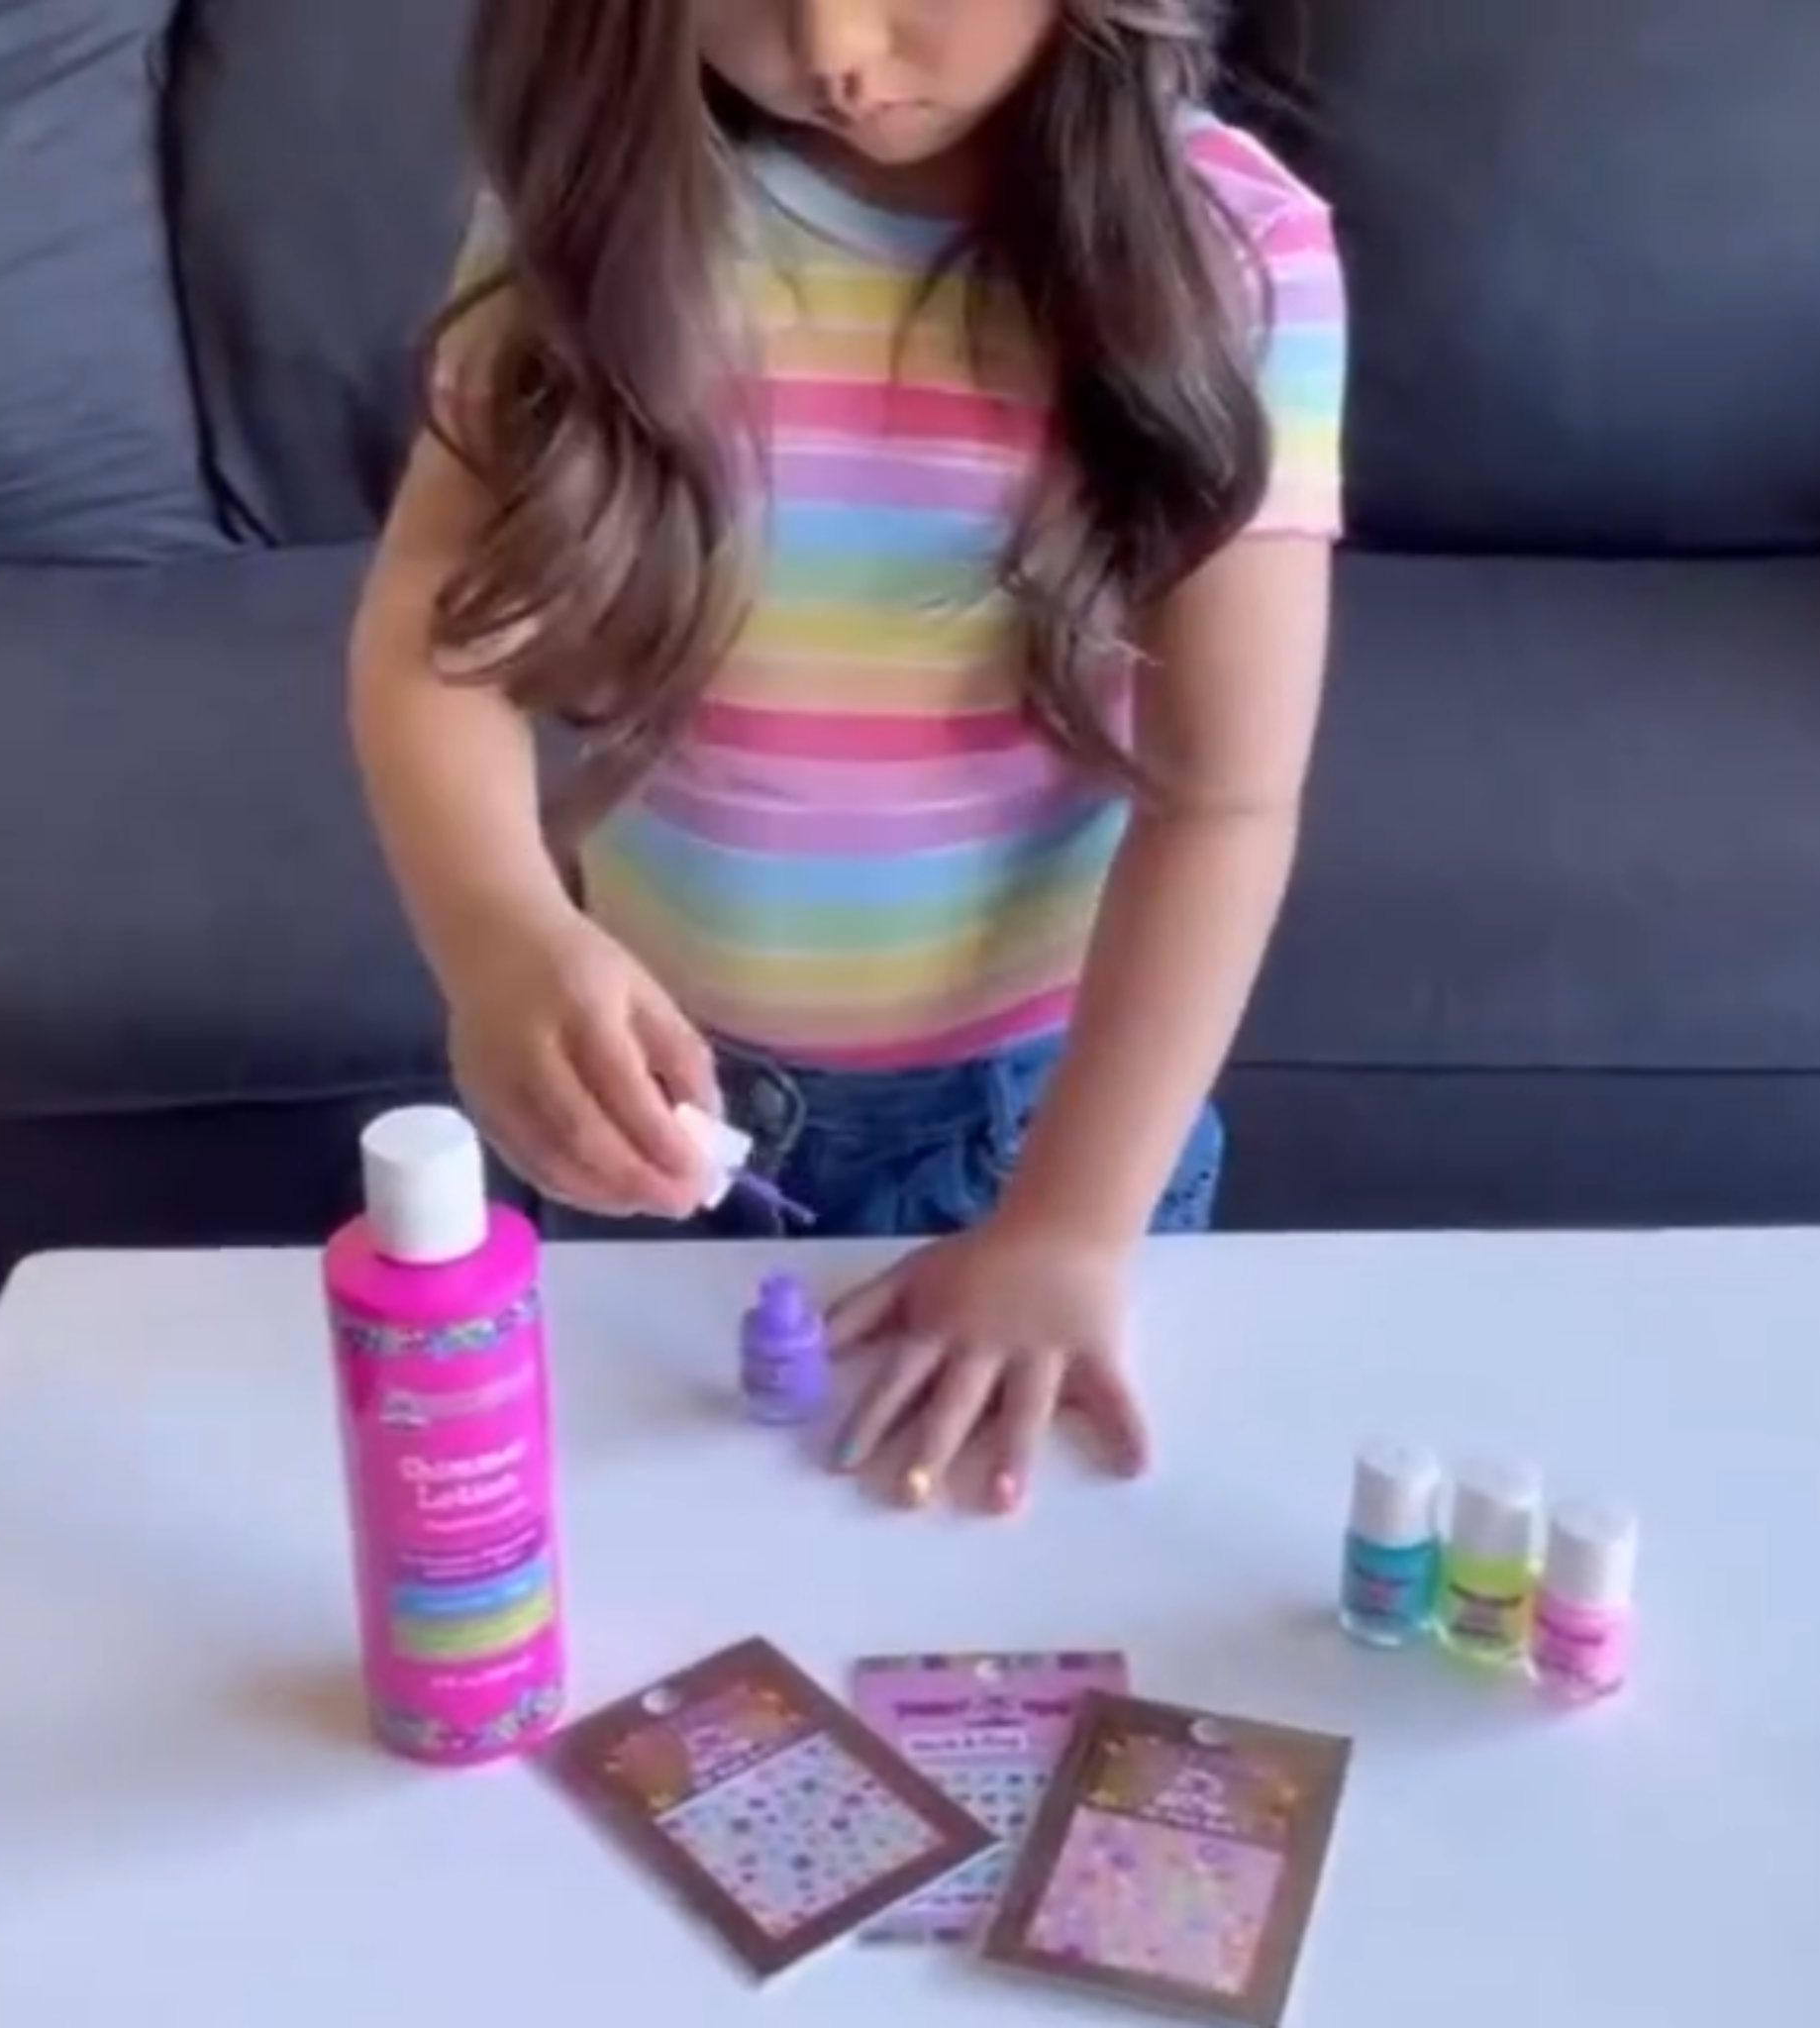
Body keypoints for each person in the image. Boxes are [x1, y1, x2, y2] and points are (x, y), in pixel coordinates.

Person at [349, 0, 1347, 1515]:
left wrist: (1068, 1231)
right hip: (651, 1109)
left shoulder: (1232, 254)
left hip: (1042, 1133)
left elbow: (1225, 796)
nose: (831, 50)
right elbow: (434, 647)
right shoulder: (590, 224)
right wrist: (500, 942)